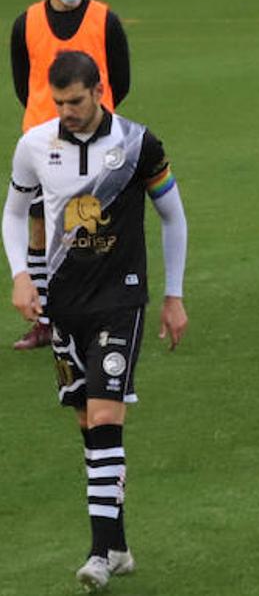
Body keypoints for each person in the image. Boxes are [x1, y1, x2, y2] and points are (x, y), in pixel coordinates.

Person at [2, 50, 187, 590]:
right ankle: (120, 546)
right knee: (88, 424)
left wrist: (173, 295)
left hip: (120, 299)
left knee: (106, 415)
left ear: (99, 91)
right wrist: (21, 276)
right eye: (59, 102)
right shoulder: (34, 145)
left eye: (76, 101)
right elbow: (14, 213)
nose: (67, 111)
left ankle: (99, 555)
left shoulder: (138, 144)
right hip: (64, 305)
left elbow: (173, 216)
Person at [9, 0, 130, 350]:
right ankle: (44, 319)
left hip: (98, 142)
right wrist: (49, 121)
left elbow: (120, 80)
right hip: (44, 143)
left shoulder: (105, 19)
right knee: (40, 227)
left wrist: (92, 118)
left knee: (97, 227)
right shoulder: (25, 23)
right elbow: (24, 84)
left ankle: (103, 311)